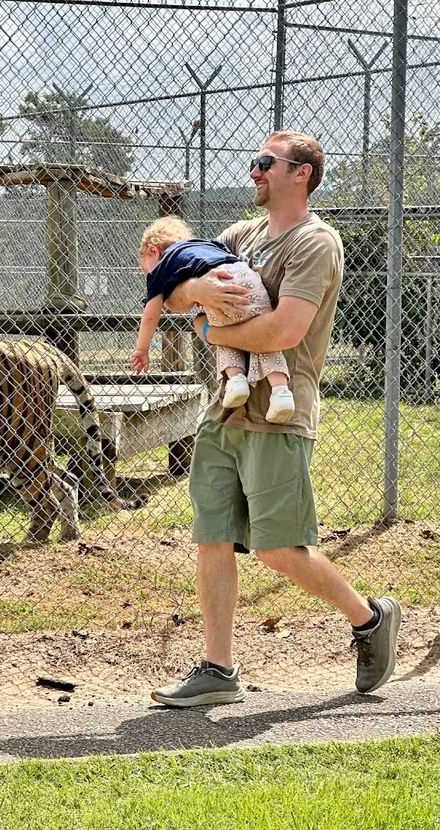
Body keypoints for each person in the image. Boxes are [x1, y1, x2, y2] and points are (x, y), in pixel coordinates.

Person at [149, 130, 401, 707]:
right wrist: (193, 290)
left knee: (277, 546)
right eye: (255, 161)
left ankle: (368, 619)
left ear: (301, 174)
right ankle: (218, 669)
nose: (255, 171)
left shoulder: (316, 244)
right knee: (212, 535)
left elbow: (286, 330)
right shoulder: (245, 234)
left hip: (280, 411)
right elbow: (176, 287)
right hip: (225, 406)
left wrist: (214, 327)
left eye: (266, 163)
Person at [131, 217, 295, 423]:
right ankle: (281, 393)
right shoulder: (208, 244)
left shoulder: (161, 267)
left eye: (144, 267)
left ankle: (236, 381)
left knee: (224, 335)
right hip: (248, 278)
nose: (146, 272)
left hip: (217, 283)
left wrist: (142, 349)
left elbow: (151, 315)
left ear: (153, 251)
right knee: (263, 339)